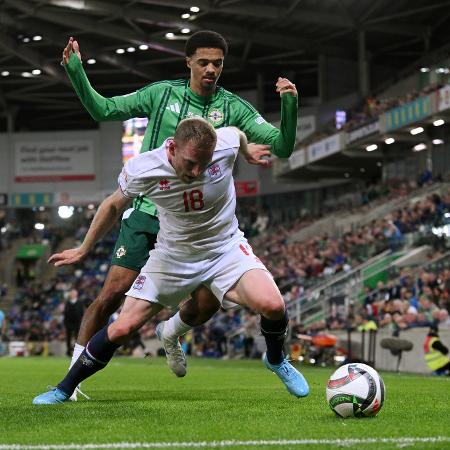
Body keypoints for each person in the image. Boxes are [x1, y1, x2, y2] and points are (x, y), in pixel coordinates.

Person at [56, 30, 299, 395]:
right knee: (111, 296)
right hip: (147, 211)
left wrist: (289, 107)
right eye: (203, 62)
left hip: (198, 227)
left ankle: (171, 332)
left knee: (204, 306)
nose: (211, 69)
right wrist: (76, 71)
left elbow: (280, 146)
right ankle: (73, 379)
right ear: (188, 62)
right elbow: (102, 109)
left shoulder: (232, 108)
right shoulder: (162, 94)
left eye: (217, 63)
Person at [32, 118, 309, 404]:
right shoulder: (144, 168)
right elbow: (113, 205)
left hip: (224, 248)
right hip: (172, 257)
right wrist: (83, 248)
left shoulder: (225, 143)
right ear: (173, 147)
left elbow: (237, 134)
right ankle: (64, 389)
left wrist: (246, 151)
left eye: (204, 162)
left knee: (274, 305)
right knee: (123, 327)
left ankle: (276, 360)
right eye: (190, 162)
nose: (197, 171)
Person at [63, 289, 84, 357]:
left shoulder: (80, 303)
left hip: (77, 323)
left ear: (76, 294)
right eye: (72, 293)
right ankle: (68, 351)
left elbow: (81, 313)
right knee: (68, 338)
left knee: (77, 338)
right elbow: (65, 313)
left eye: (74, 293)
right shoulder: (67, 303)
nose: (73, 295)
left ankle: (77, 351)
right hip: (68, 323)